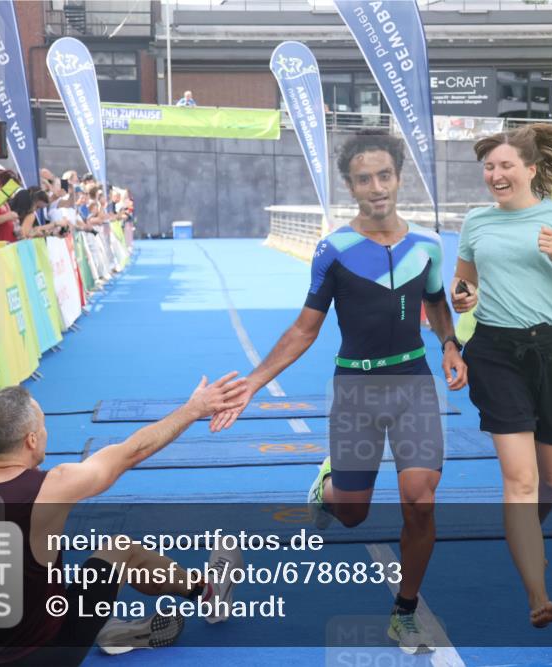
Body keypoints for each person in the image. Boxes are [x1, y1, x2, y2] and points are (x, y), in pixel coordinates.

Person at [210, 130, 466, 655]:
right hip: (356, 389)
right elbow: (305, 329)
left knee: (421, 501)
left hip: (413, 384)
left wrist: (449, 344)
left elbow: (436, 302)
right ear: (351, 187)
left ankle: (405, 611)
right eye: (364, 179)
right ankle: (327, 483)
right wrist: (254, 384)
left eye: (385, 176)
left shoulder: (428, 245)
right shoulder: (334, 251)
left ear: (399, 176)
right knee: (351, 512)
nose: (377, 187)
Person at [0, 374, 247, 664]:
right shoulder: (50, 488)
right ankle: (209, 591)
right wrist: (194, 409)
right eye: (44, 426)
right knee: (121, 549)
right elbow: (132, 451)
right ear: (32, 440)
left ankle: (112, 628)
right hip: (44, 655)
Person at [450, 125, 552, 629]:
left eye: (505, 166)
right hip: (497, 353)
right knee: (519, 479)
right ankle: (537, 593)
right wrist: (461, 306)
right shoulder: (476, 223)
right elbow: (462, 287)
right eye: (489, 168)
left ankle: (528, 538)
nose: (495, 175)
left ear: (531, 170)